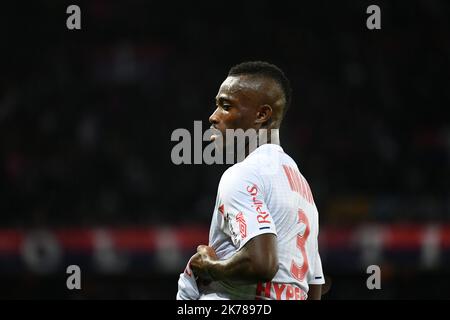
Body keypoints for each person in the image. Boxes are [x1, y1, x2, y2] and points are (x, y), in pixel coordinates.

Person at [177, 61, 325, 300]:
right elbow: (314, 288)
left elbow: (261, 264)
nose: (213, 117)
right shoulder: (301, 187)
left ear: (262, 114)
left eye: (226, 106)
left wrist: (209, 267)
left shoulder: (244, 174)